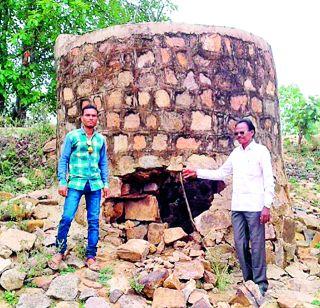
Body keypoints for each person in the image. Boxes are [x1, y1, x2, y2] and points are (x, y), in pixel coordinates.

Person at [182, 118, 274, 296]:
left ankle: (260, 284)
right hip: (238, 206)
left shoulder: (261, 152)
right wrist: (197, 173)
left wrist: (266, 206)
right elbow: (221, 173)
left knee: (256, 246)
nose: (239, 136)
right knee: (240, 244)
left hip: (256, 206)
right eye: (237, 133)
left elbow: (269, 180)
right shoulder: (236, 154)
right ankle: (248, 281)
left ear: (251, 132)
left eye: (242, 132)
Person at [49, 104, 110, 271]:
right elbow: (64, 160)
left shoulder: (100, 140)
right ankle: (59, 251)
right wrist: (62, 181)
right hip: (75, 183)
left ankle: (91, 256)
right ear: (82, 118)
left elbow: (103, 162)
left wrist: (106, 183)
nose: (91, 118)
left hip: (95, 184)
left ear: (97, 119)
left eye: (94, 116)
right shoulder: (72, 136)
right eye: (88, 115)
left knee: (93, 221)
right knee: (67, 217)